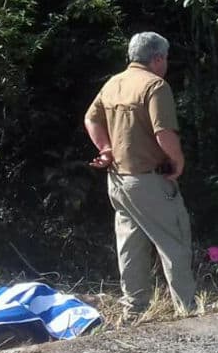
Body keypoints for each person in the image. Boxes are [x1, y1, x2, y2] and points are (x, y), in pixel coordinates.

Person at [84, 32, 196, 316]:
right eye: (166, 58)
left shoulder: (113, 83)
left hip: (118, 180)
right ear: (157, 58)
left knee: (130, 246)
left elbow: (91, 118)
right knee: (174, 241)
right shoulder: (155, 85)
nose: (166, 64)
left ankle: (133, 310)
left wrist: (105, 149)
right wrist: (178, 160)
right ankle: (188, 310)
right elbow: (164, 133)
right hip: (149, 180)